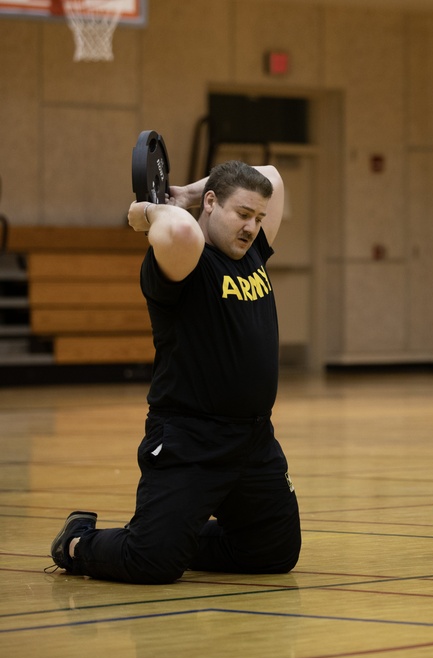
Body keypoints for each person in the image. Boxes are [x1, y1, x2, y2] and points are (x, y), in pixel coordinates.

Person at [48, 160, 301, 584]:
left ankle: (171, 536)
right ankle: (78, 542)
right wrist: (149, 211)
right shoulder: (185, 259)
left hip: (254, 440)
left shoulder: (253, 250)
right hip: (191, 438)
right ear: (211, 204)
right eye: (242, 214)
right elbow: (181, 230)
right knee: (150, 564)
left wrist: (181, 194)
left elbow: (270, 174)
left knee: (273, 551)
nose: (252, 227)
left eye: (258, 218)